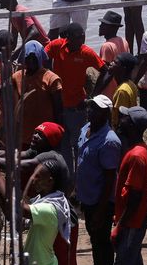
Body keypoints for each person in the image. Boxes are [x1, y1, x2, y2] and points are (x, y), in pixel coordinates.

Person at [91, 106, 147, 265]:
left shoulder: (136, 155)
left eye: (125, 118)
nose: (120, 119)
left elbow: (134, 195)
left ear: (133, 125)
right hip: (136, 217)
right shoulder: (136, 150)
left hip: (132, 220)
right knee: (133, 262)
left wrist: (119, 226)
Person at [45, 22, 111, 166]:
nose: (82, 40)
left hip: (77, 109)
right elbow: (43, 56)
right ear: (68, 37)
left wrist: (92, 96)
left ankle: (81, 178)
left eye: (83, 36)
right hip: (59, 107)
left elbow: (106, 71)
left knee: (79, 145)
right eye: (78, 37)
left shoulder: (86, 52)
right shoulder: (57, 46)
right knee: (63, 146)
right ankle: (68, 179)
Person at [77, 95, 121, 265]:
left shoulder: (109, 141)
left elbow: (110, 178)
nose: (90, 111)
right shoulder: (85, 129)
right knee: (95, 241)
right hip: (87, 197)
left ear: (105, 113)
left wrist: (101, 210)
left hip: (100, 201)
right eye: (90, 107)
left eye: (95, 109)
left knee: (102, 242)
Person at [13, 40, 64, 146]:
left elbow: (58, 110)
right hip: (24, 136)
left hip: (45, 137)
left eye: (34, 58)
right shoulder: (17, 77)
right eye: (28, 58)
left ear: (40, 58)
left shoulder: (52, 79)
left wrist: (57, 135)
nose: (31, 61)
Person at [108, 53, 140, 128]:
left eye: (115, 63)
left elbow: (121, 119)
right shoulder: (131, 84)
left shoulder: (122, 91)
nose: (111, 63)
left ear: (123, 68)